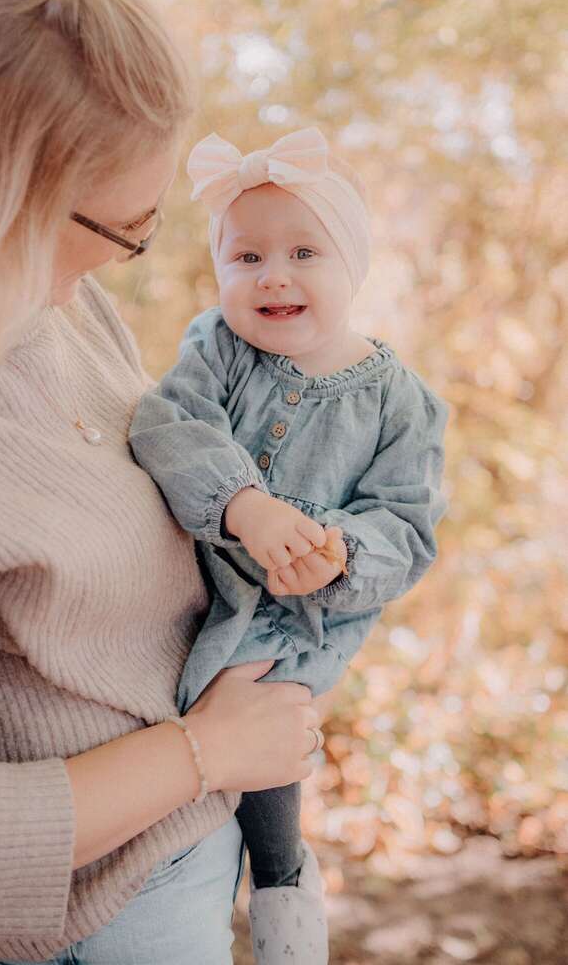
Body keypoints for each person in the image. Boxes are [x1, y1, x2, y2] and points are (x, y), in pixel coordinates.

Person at [0, 0, 334, 964]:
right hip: (53, 923)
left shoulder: (52, 299)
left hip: (181, 858)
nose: (124, 259)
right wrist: (206, 750)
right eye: (124, 230)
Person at [129, 126, 449, 964]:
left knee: (253, 698)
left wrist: (341, 550)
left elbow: (406, 529)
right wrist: (242, 504)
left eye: (304, 251)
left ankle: (281, 888)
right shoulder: (218, 346)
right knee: (163, 701)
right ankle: (154, 848)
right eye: (245, 258)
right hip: (189, 583)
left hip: (297, 618)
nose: (272, 274)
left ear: (353, 264)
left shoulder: (399, 401)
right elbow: (168, 424)